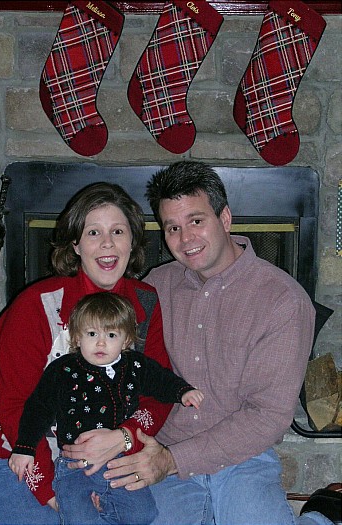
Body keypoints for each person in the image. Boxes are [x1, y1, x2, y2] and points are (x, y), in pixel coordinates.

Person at [76, 161, 336, 525]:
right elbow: (118, 374)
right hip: (162, 447)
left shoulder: (283, 300)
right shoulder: (155, 287)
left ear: (224, 218)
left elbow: (269, 416)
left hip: (243, 456)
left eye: (196, 221)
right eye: (173, 227)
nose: (186, 239)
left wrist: (173, 460)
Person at [0, 182, 175, 525]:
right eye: (93, 232)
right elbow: (15, 407)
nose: (107, 243)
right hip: (18, 452)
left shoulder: (145, 302)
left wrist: (124, 437)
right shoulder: (35, 306)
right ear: (76, 245)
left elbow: (158, 391)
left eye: (118, 231)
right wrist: (55, 495)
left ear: (132, 242)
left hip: (106, 455)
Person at [9, 291, 203, 525]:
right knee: (78, 517)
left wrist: (183, 392)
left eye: (111, 335)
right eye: (92, 334)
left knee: (143, 514)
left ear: (126, 340)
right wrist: (25, 447)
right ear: (77, 338)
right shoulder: (63, 370)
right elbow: (38, 408)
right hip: (74, 465)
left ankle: (107, 512)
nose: (101, 343)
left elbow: (161, 380)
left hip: (121, 461)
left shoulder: (135, 365)